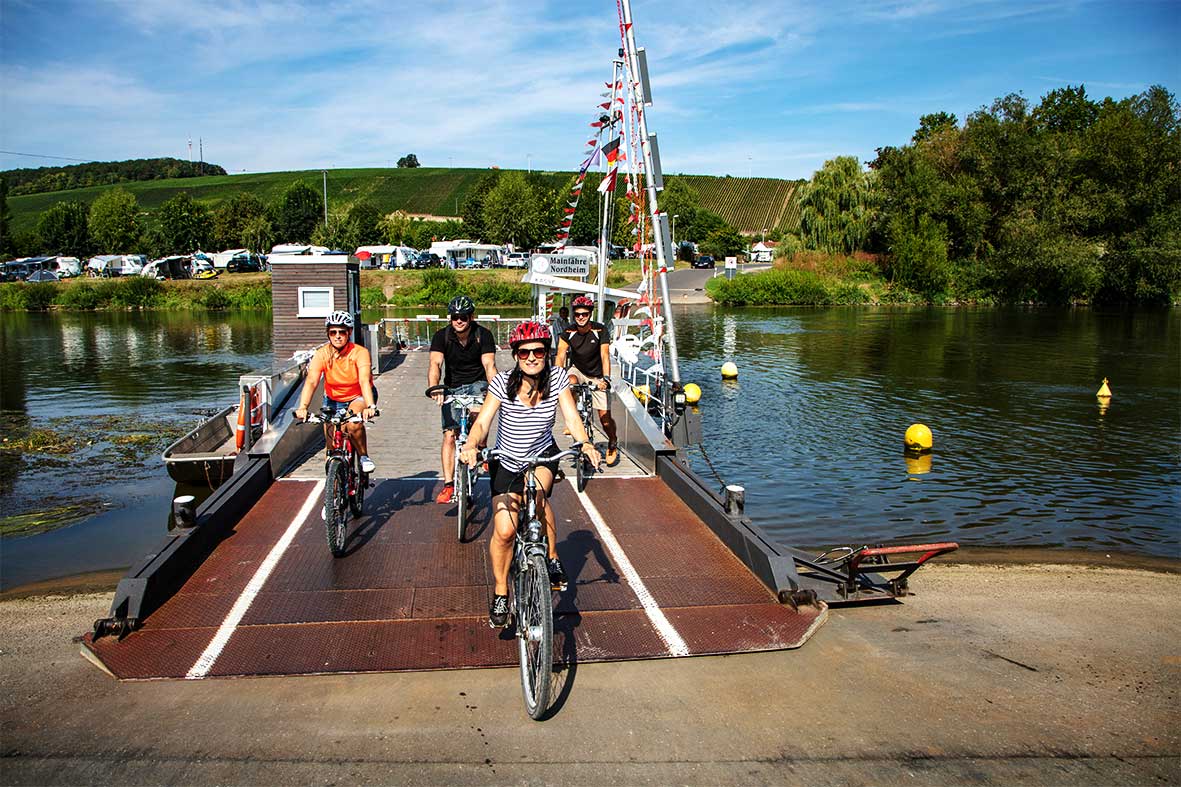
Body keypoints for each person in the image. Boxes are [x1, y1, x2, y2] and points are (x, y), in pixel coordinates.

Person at [458, 321, 601, 628]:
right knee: (506, 531)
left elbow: (572, 418)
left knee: (535, 493)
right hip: (507, 459)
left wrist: (585, 443)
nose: (532, 357)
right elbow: (483, 422)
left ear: (547, 353)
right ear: (516, 356)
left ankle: (550, 557)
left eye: (539, 351)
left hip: (543, 455)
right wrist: (471, 443)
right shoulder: (501, 383)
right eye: (525, 352)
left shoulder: (559, 379)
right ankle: (500, 590)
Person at [428, 295, 498, 504]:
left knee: (479, 415)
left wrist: (495, 390)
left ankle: (480, 444)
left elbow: (489, 366)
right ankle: (449, 484)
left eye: (464, 317)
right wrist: (435, 387)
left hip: (477, 383)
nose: (459, 321)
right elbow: (435, 364)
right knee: (450, 435)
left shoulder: (483, 335)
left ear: (471, 317)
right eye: (455, 317)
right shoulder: (442, 336)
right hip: (452, 386)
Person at [294, 311, 378, 473]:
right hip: (333, 397)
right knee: (331, 442)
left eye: (342, 332)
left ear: (349, 333)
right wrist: (303, 407)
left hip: (359, 395)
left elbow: (364, 381)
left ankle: (363, 456)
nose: (337, 336)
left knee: (353, 424)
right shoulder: (322, 354)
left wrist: (370, 406)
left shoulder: (360, 353)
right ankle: (335, 484)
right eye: (333, 332)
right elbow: (312, 381)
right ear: (328, 334)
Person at [555, 294, 619, 466]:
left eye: (584, 314)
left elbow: (605, 356)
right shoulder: (568, 332)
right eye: (577, 314)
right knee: (569, 381)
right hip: (578, 370)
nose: (581, 317)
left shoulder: (600, 330)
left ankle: (613, 442)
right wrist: (557, 376)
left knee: (605, 419)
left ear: (590, 314)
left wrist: (605, 378)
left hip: (597, 374)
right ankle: (573, 415)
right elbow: (560, 356)